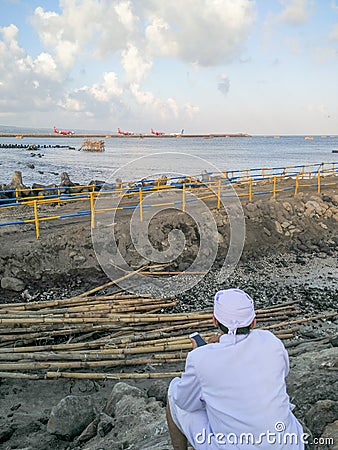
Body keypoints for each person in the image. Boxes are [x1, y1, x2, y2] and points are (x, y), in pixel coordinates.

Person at [166, 288, 305, 450]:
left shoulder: (200, 358)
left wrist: (201, 355)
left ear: (215, 321)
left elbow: (184, 402)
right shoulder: (271, 341)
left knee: (173, 392)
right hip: (289, 444)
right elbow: (283, 372)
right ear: (253, 322)